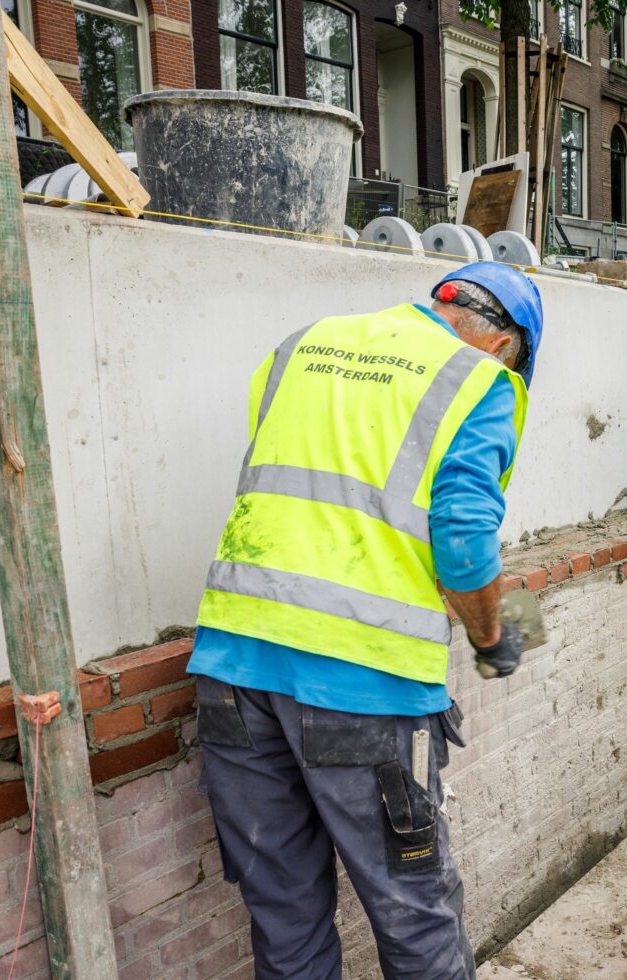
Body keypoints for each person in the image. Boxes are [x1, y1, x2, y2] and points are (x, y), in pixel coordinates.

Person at [189, 261, 543, 980]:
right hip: (365, 689)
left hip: (232, 671)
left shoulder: (305, 343)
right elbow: (465, 545)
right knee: (415, 915)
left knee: (285, 917)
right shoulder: (478, 381)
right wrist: (491, 636)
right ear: (508, 345)